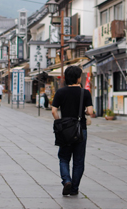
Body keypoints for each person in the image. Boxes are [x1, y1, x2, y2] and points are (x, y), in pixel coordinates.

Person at [51, 66, 93, 196]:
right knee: (78, 161)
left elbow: (53, 110)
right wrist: (84, 113)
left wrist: (60, 122)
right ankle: (74, 189)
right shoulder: (84, 93)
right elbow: (90, 112)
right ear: (78, 78)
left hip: (65, 130)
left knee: (63, 158)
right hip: (81, 130)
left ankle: (66, 180)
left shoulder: (60, 92)